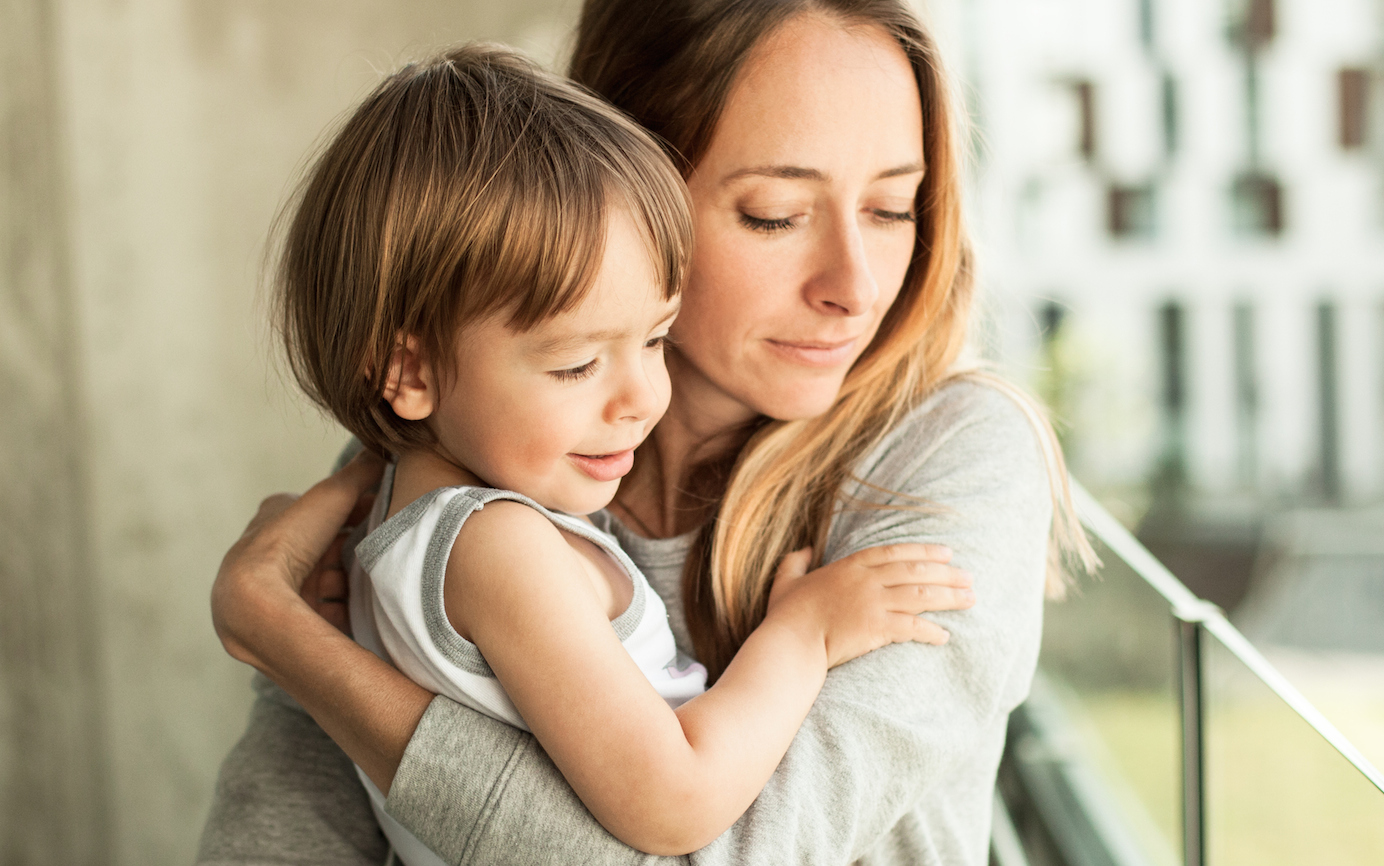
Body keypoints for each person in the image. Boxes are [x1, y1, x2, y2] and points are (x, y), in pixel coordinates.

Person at [199, 1, 1098, 864]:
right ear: (626, 179)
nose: (854, 288)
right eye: (775, 214)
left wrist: (289, 641)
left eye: (893, 208)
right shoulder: (465, 447)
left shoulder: (950, 454)